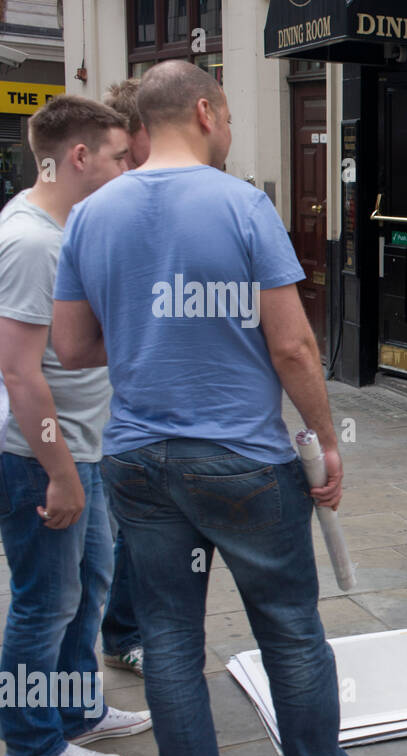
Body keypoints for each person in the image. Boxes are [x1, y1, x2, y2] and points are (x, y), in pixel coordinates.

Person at [50, 61, 382, 756]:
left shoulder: (92, 216)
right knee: (292, 634)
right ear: (204, 112)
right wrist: (326, 438)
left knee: (167, 643)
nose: (229, 132)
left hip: (137, 457)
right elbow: (294, 343)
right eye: (228, 118)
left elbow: (70, 345)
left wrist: (143, 341)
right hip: (243, 460)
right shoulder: (242, 205)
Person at [0, 95, 153, 756]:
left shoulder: (63, 229)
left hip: (79, 451)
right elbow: (19, 374)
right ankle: (31, 748)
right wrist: (59, 473)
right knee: (44, 603)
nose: (129, 168)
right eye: (120, 156)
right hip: (42, 460)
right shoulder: (32, 241)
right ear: (81, 157)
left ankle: (77, 710)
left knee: (86, 590)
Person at [96, 78, 150, 679]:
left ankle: (121, 634)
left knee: (122, 536)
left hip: (120, 410)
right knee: (119, 537)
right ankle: (123, 633)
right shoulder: (105, 208)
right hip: (99, 418)